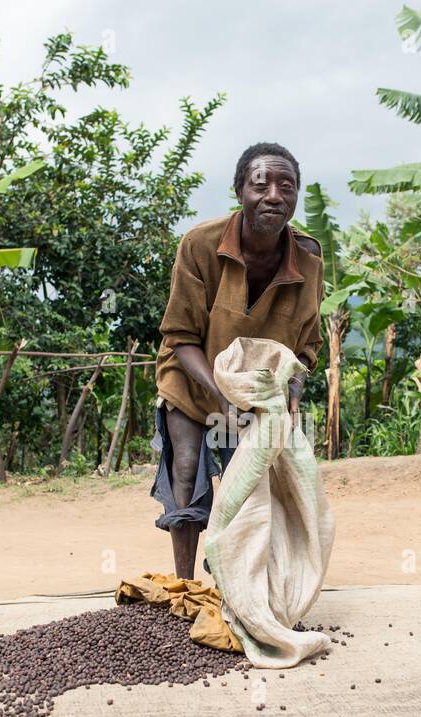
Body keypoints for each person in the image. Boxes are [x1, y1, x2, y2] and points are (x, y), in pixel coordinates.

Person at [151, 143, 324, 579]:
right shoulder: (201, 245)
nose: (273, 196)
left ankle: (234, 582)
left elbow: (305, 348)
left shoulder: (308, 259)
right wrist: (221, 398)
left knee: (248, 485)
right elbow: (180, 337)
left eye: (287, 186)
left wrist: (289, 397)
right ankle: (184, 586)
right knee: (188, 470)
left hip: (256, 392)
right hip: (193, 378)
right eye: (260, 184)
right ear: (239, 191)